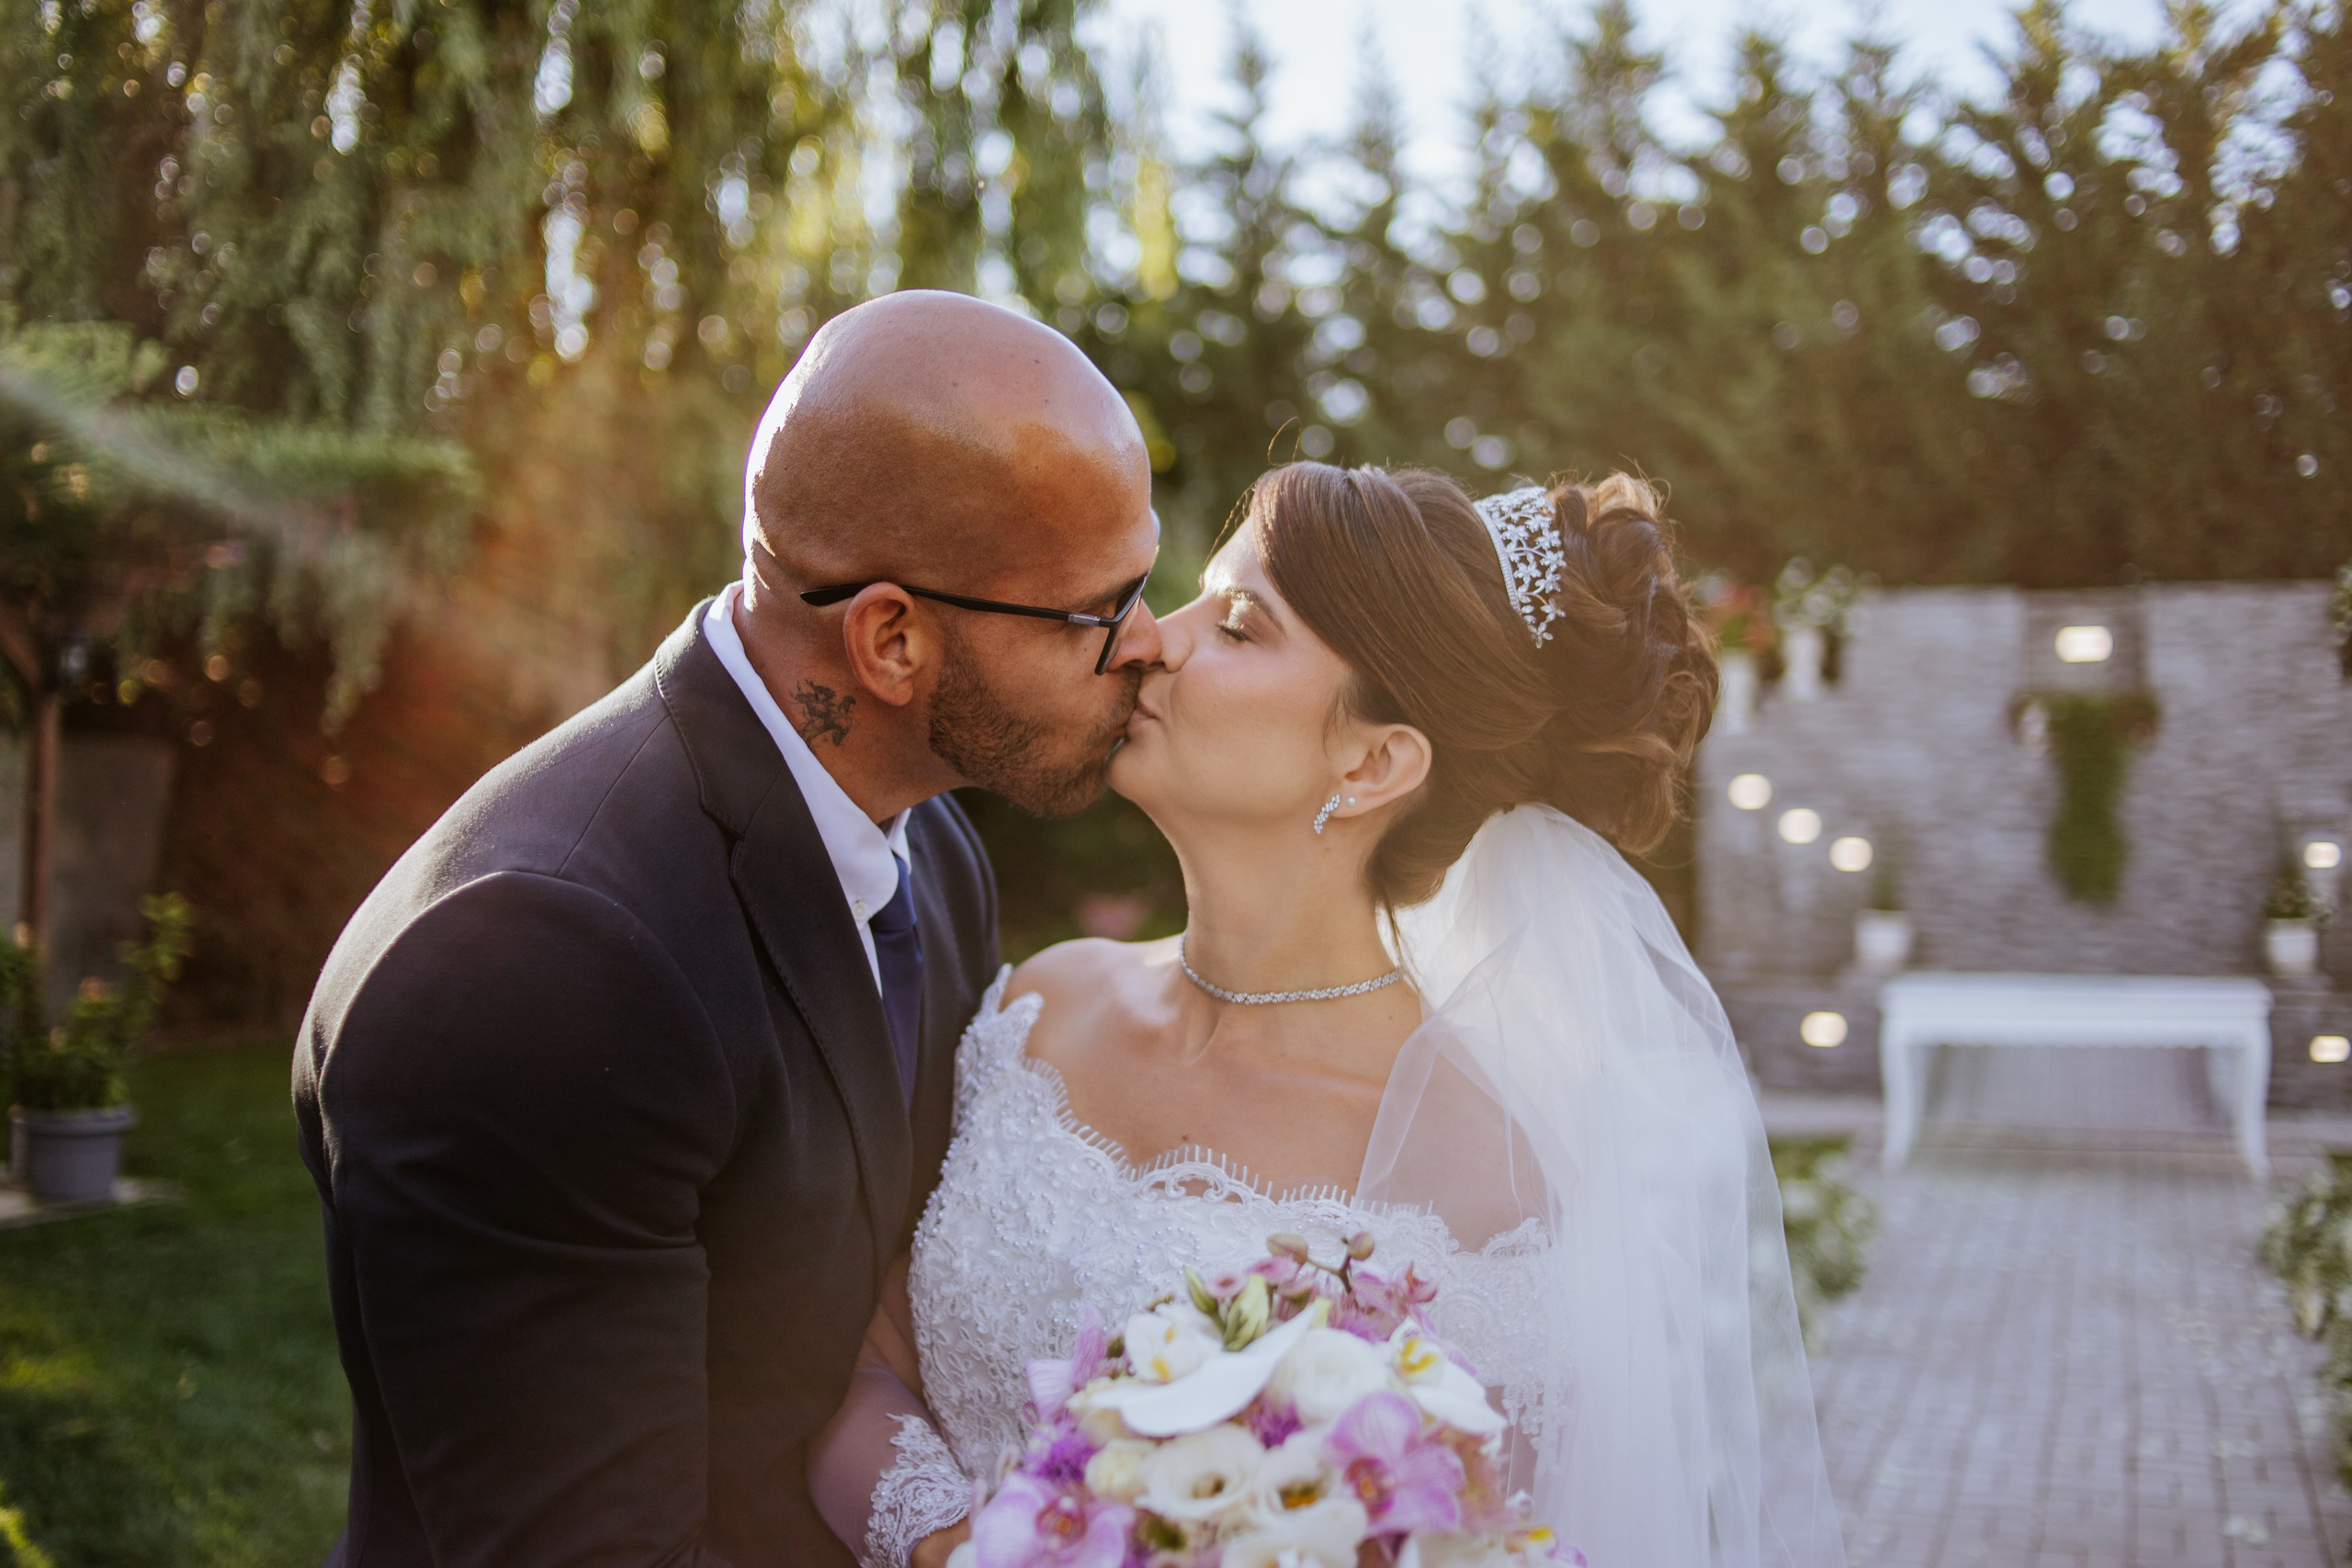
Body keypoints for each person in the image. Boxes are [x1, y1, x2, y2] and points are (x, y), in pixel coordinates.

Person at [811, 462, 1848, 1568]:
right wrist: (965, 1548)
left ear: (1373, 761)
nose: (1154, 635)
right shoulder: (1038, 1007)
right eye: (1198, 595)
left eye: (1242, 625)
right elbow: (866, 1363)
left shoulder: (1495, 1180)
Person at [291, 290, 1163, 1567]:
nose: (1150, 643)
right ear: (892, 638)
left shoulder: (931, 840)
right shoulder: (545, 966)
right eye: (1103, 608)